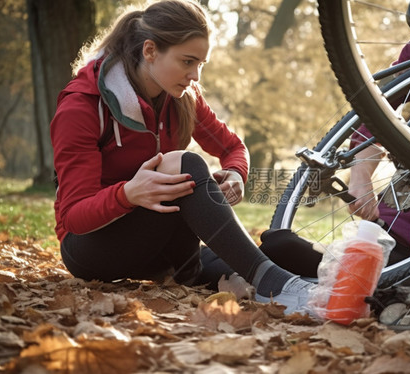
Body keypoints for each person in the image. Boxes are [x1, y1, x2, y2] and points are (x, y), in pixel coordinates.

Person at [50, 0, 314, 315]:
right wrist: (128, 194)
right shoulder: (82, 106)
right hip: (91, 249)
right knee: (186, 165)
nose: (195, 75)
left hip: (163, 249)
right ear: (150, 51)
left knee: (279, 250)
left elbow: (232, 148)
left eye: (201, 63)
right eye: (187, 61)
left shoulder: (183, 98)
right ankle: (276, 283)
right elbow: (74, 217)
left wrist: (234, 174)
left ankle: (346, 285)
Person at [259, 1, 410, 282]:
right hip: (388, 229)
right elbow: (375, 109)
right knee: (277, 245)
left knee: (282, 252)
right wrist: (361, 176)